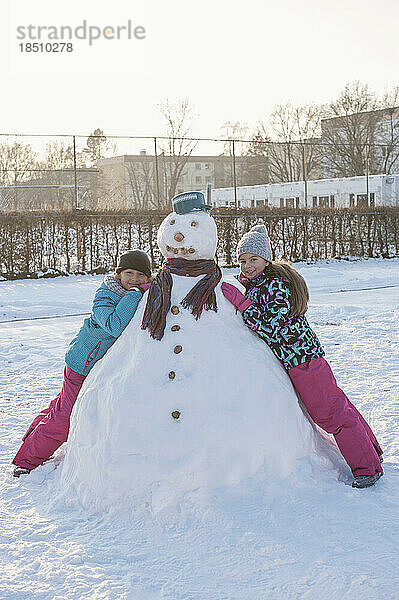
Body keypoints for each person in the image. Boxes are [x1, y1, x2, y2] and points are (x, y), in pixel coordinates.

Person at [221, 224, 383, 489]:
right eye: (242, 260)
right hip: (300, 360)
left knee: (329, 413)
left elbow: (272, 325)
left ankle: (368, 468)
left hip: (304, 360)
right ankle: (371, 452)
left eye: (253, 259)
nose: (247, 265)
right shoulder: (259, 285)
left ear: (266, 259)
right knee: (337, 404)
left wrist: (242, 303)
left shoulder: (275, 285)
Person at [12, 250, 153, 477]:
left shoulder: (139, 293)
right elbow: (114, 325)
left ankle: (30, 440)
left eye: (140, 274)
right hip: (82, 364)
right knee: (65, 417)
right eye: (129, 273)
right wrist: (135, 293)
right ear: (118, 274)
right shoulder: (106, 295)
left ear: (148, 277)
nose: (134, 279)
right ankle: (27, 461)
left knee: (58, 406)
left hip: (92, 365)